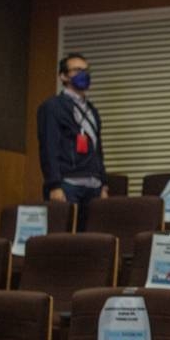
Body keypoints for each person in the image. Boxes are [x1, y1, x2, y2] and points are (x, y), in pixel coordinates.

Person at [37, 53, 108, 230]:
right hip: (67, 185)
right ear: (63, 76)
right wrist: (54, 185)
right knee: (65, 240)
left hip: (94, 186)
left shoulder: (92, 110)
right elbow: (48, 147)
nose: (83, 74)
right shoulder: (52, 107)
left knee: (91, 241)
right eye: (77, 70)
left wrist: (103, 183)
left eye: (86, 70)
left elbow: (98, 149)